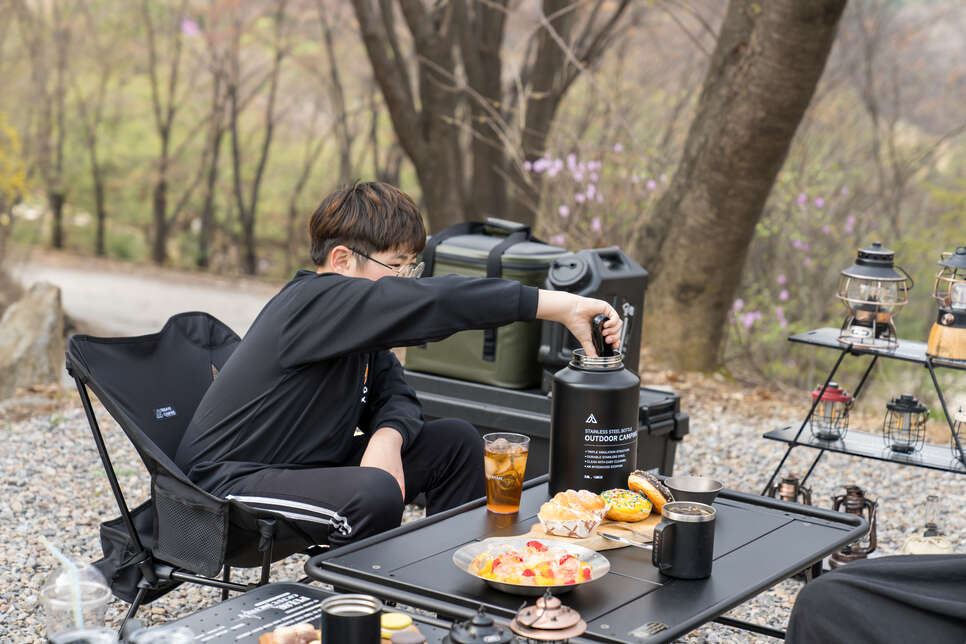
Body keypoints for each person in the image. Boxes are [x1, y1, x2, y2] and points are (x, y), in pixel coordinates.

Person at [174, 181, 620, 548]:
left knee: (455, 441)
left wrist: (386, 438)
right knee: (374, 493)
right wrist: (552, 304)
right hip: (221, 491)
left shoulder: (357, 330)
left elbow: (398, 394)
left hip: (296, 471)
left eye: (412, 267)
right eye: (395, 267)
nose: (406, 282)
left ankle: (453, 586)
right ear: (342, 260)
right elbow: (437, 302)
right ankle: (367, 618)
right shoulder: (310, 303)